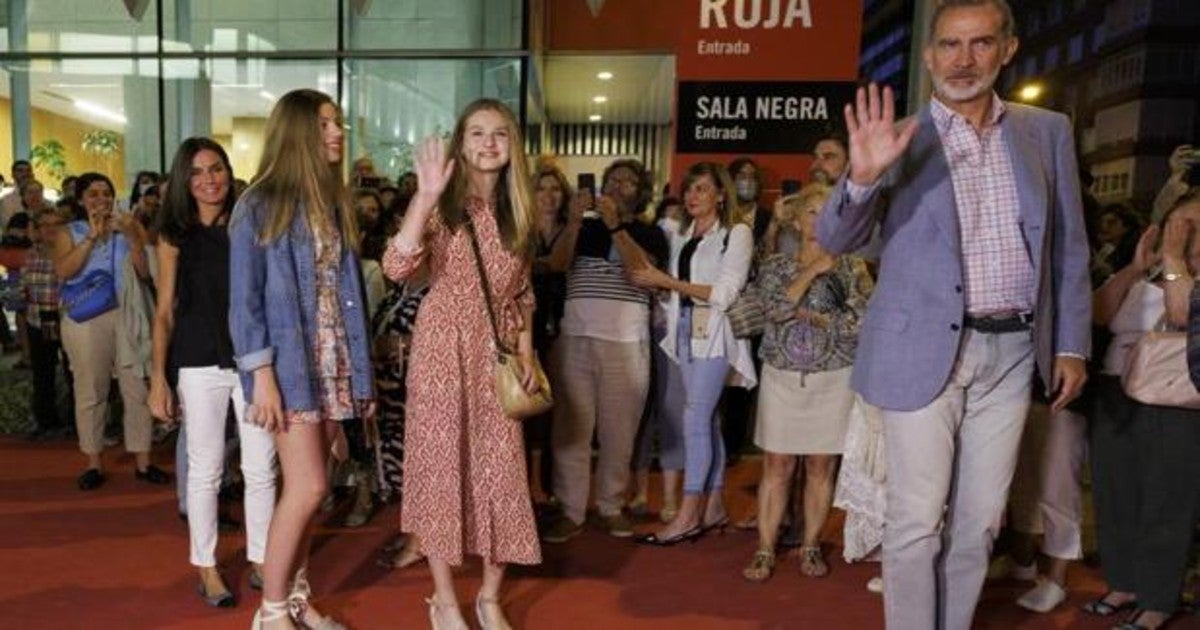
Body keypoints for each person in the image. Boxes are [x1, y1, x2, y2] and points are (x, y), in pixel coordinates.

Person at [815, 1, 1092, 627]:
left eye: (980, 44)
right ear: (929, 53)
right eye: (949, 45)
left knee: (981, 520)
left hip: (1015, 351)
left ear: (1008, 48)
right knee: (915, 517)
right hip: (922, 351)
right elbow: (837, 240)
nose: (963, 60)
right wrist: (860, 180)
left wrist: (1070, 343)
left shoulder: (1045, 131)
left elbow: (1068, 245)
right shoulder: (901, 138)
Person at [381, 98, 541, 630]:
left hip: (495, 352)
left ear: (512, 144)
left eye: (499, 133)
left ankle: (490, 597)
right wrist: (422, 200)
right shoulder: (444, 206)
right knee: (441, 469)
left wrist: (525, 351)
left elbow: (522, 293)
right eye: (477, 133)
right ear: (460, 142)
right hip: (442, 347)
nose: (489, 143)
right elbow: (396, 267)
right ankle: (445, 599)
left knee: (501, 471)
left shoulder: (521, 209)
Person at [229, 89, 374, 630]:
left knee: (315, 493)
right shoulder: (258, 204)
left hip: (330, 363)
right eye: (325, 125)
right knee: (309, 486)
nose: (337, 132)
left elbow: (346, 296)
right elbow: (243, 304)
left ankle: (296, 597)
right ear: (297, 134)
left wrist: (358, 375)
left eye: (337, 123)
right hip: (288, 370)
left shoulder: (331, 203)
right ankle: (269, 613)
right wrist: (261, 375)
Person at [148, 137, 277, 609]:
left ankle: (263, 558)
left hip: (251, 358)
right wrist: (158, 378)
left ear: (229, 171)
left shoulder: (249, 224)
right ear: (185, 179)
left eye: (217, 168)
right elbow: (163, 312)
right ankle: (206, 566)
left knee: (261, 466)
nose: (209, 179)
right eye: (198, 172)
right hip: (197, 359)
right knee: (205, 469)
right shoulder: (173, 234)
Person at [741, 183, 873, 582]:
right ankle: (765, 549)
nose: (818, 220)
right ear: (796, 220)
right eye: (811, 212)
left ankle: (811, 545)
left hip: (834, 380)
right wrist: (813, 270)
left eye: (827, 211)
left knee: (820, 465)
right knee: (776, 463)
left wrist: (818, 319)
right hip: (782, 378)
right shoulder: (777, 265)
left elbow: (863, 324)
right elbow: (773, 311)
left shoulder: (853, 268)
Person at [1085, 195, 1200, 630]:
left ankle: (1158, 598)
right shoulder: (1149, 268)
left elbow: (1181, 314)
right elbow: (1097, 312)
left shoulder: (1182, 272)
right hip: (1117, 390)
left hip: (1177, 397)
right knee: (1116, 492)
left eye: (1193, 223)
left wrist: (1175, 260)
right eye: (1177, 221)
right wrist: (1135, 267)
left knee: (1168, 497)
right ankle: (1124, 582)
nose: (1183, 229)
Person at [541, 159, 668, 543]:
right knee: (572, 429)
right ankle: (570, 509)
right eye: (612, 180)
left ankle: (611, 505)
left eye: (628, 182)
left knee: (619, 431)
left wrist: (615, 227)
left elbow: (643, 274)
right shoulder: (581, 228)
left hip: (627, 343)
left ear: (641, 192)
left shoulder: (650, 234)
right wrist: (577, 221)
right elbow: (558, 264)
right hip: (576, 337)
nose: (617, 186)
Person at [630, 161, 756, 545]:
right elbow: (679, 289)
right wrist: (662, 287)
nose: (692, 195)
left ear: (721, 194)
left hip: (715, 334)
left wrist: (666, 281)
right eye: (689, 188)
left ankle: (688, 511)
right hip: (683, 330)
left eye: (702, 188)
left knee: (695, 416)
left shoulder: (736, 234)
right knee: (707, 419)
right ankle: (714, 505)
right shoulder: (683, 234)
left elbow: (722, 293)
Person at [51, 172, 167, 491]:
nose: (100, 199)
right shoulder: (69, 232)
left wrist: (132, 236)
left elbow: (147, 274)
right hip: (86, 318)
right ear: (80, 200)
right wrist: (91, 236)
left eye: (106, 193)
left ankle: (144, 461)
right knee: (91, 389)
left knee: (137, 388)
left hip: (129, 314)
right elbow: (64, 271)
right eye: (93, 194)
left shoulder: (129, 227)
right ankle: (93, 461)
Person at [528, 165, 571, 501]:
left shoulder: (573, 229)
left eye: (555, 189)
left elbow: (561, 262)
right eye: (542, 188)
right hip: (526, 326)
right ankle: (527, 486)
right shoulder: (521, 230)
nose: (549, 195)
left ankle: (551, 487)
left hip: (564, 325)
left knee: (558, 408)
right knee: (526, 404)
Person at [20, 206, 71, 439]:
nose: (50, 230)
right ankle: (46, 422)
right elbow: (21, 292)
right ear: (38, 230)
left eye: (56, 224)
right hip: (37, 321)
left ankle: (77, 423)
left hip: (70, 321)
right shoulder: (29, 254)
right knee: (42, 375)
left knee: (74, 374)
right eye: (45, 225)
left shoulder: (74, 252)